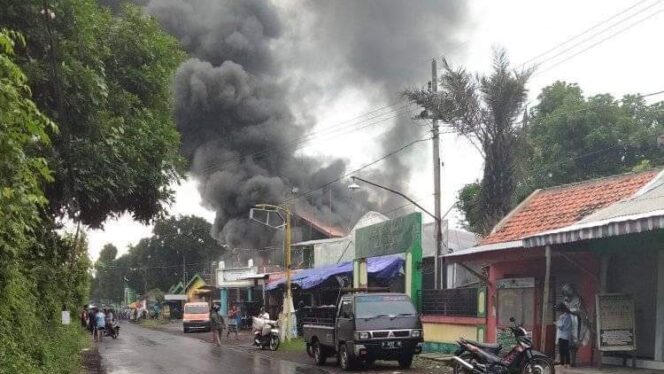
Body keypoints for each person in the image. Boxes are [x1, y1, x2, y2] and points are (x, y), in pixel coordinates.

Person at [555, 302, 573, 368]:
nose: (558, 312)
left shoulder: (563, 316)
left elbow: (561, 326)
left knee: (562, 351)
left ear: (561, 310)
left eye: (558, 310)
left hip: (562, 336)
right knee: (566, 350)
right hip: (566, 336)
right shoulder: (568, 316)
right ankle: (567, 363)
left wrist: (556, 323)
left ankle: (562, 364)